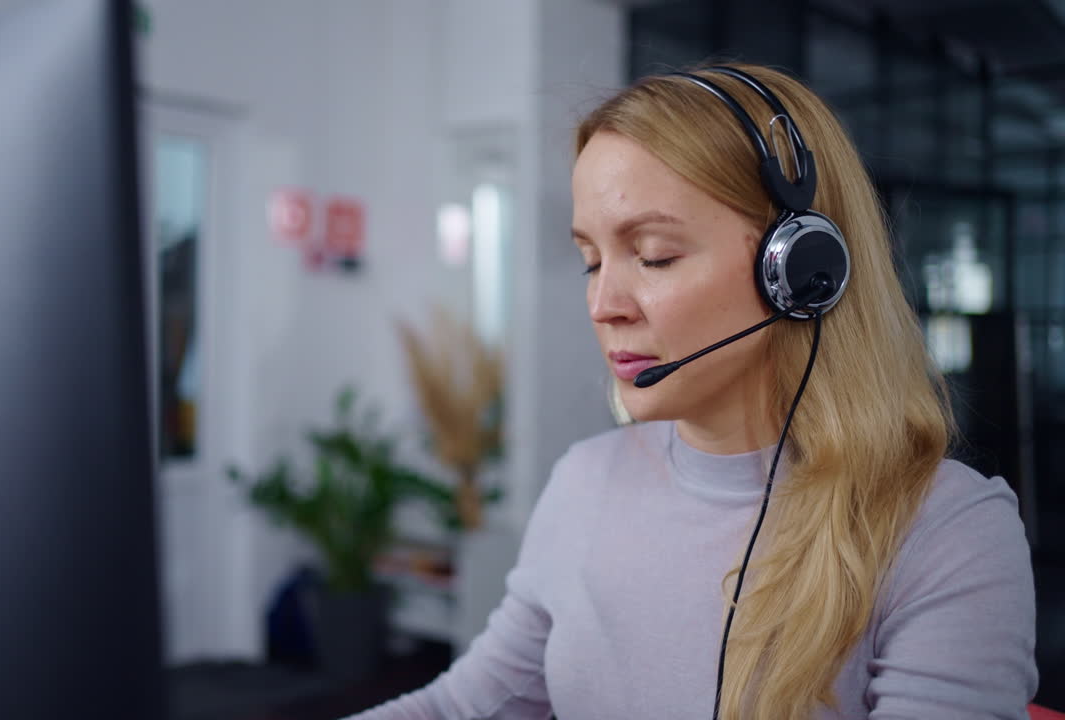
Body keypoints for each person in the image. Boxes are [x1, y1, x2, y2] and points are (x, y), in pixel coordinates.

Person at [343, 62, 1037, 720]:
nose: (603, 302)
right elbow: (464, 707)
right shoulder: (585, 482)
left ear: (798, 271)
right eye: (590, 260)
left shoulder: (946, 533)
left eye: (653, 255)